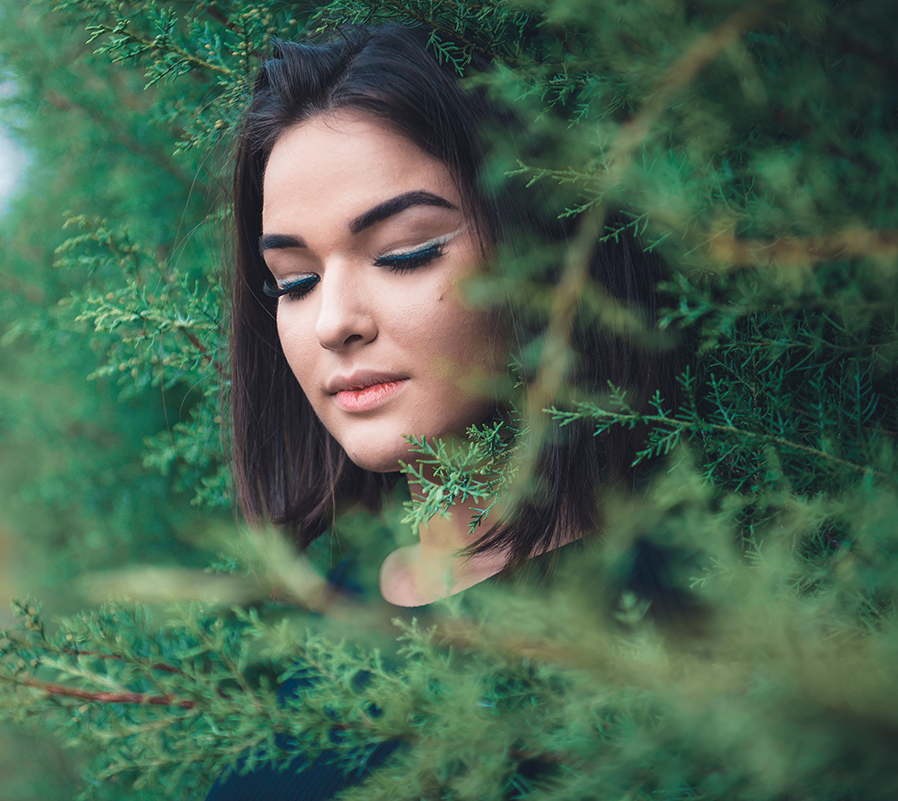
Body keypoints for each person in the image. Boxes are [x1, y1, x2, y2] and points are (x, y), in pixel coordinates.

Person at [212, 22, 682, 799]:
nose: (333, 322)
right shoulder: (312, 618)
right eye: (294, 281)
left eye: (403, 252)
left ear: (545, 253)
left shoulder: (662, 637)